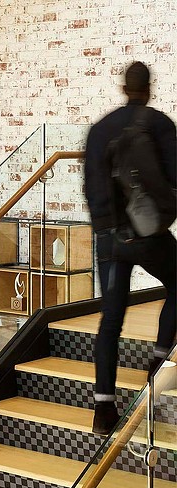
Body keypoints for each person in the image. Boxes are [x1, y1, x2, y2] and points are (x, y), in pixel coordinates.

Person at [83, 61, 177, 435]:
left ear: (124, 87)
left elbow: (90, 188)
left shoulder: (99, 130)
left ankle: (103, 410)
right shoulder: (158, 125)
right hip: (147, 235)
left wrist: (105, 231)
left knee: (111, 320)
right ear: (149, 88)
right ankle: (158, 362)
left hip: (108, 240)